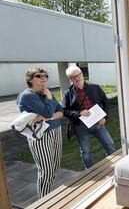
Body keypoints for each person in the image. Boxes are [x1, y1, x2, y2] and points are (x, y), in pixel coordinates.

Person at [16, 68, 63, 198]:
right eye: (38, 76)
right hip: (40, 135)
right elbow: (49, 111)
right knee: (46, 170)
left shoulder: (46, 92)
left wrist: (48, 117)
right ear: (30, 79)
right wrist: (49, 100)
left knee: (54, 167)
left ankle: (47, 194)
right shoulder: (28, 95)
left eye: (45, 75)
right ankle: (44, 203)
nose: (43, 78)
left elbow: (61, 111)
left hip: (55, 130)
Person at [63, 66, 115, 169]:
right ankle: (91, 172)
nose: (78, 78)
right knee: (86, 152)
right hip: (80, 126)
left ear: (82, 74)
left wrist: (105, 117)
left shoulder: (95, 87)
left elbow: (106, 103)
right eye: (74, 77)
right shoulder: (68, 93)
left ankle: (115, 166)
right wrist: (79, 113)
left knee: (110, 145)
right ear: (70, 79)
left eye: (79, 74)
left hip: (98, 123)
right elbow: (64, 111)